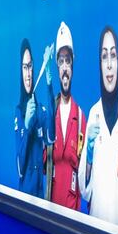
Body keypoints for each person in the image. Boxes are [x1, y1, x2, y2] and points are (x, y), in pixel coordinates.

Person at [79, 26, 118, 230]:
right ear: (99, 64)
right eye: (104, 57)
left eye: (113, 55)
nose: (109, 64)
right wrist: (90, 153)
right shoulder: (93, 115)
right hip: (98, 229)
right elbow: (85, 191)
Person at [48, 22, 87, 210]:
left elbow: (86, 175)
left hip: (73, 213)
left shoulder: (80, 118)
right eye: (61, 61)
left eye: (68, 61)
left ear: (73, 64)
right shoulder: (49, 113)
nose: (65, 68)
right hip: (51, 209)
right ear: (57, 65)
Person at [15, 38, 55, 197]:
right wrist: (26, 125)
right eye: (25, 68)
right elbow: (19, 168)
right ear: (20, 70)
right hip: (25, 197)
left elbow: (51, 137)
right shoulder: (18, 112)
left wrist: (49, 80)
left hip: (41, 196)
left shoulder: (40, 110)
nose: (29, 74)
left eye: (30, 66)